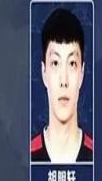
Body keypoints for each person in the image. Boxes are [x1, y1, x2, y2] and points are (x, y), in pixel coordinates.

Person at [31, 8, 93, 163]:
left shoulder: (100, 158)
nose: (63, 80)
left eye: (72, 64)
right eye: (55, 63)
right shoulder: (26, 158)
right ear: (44, 72)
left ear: (81, 73)